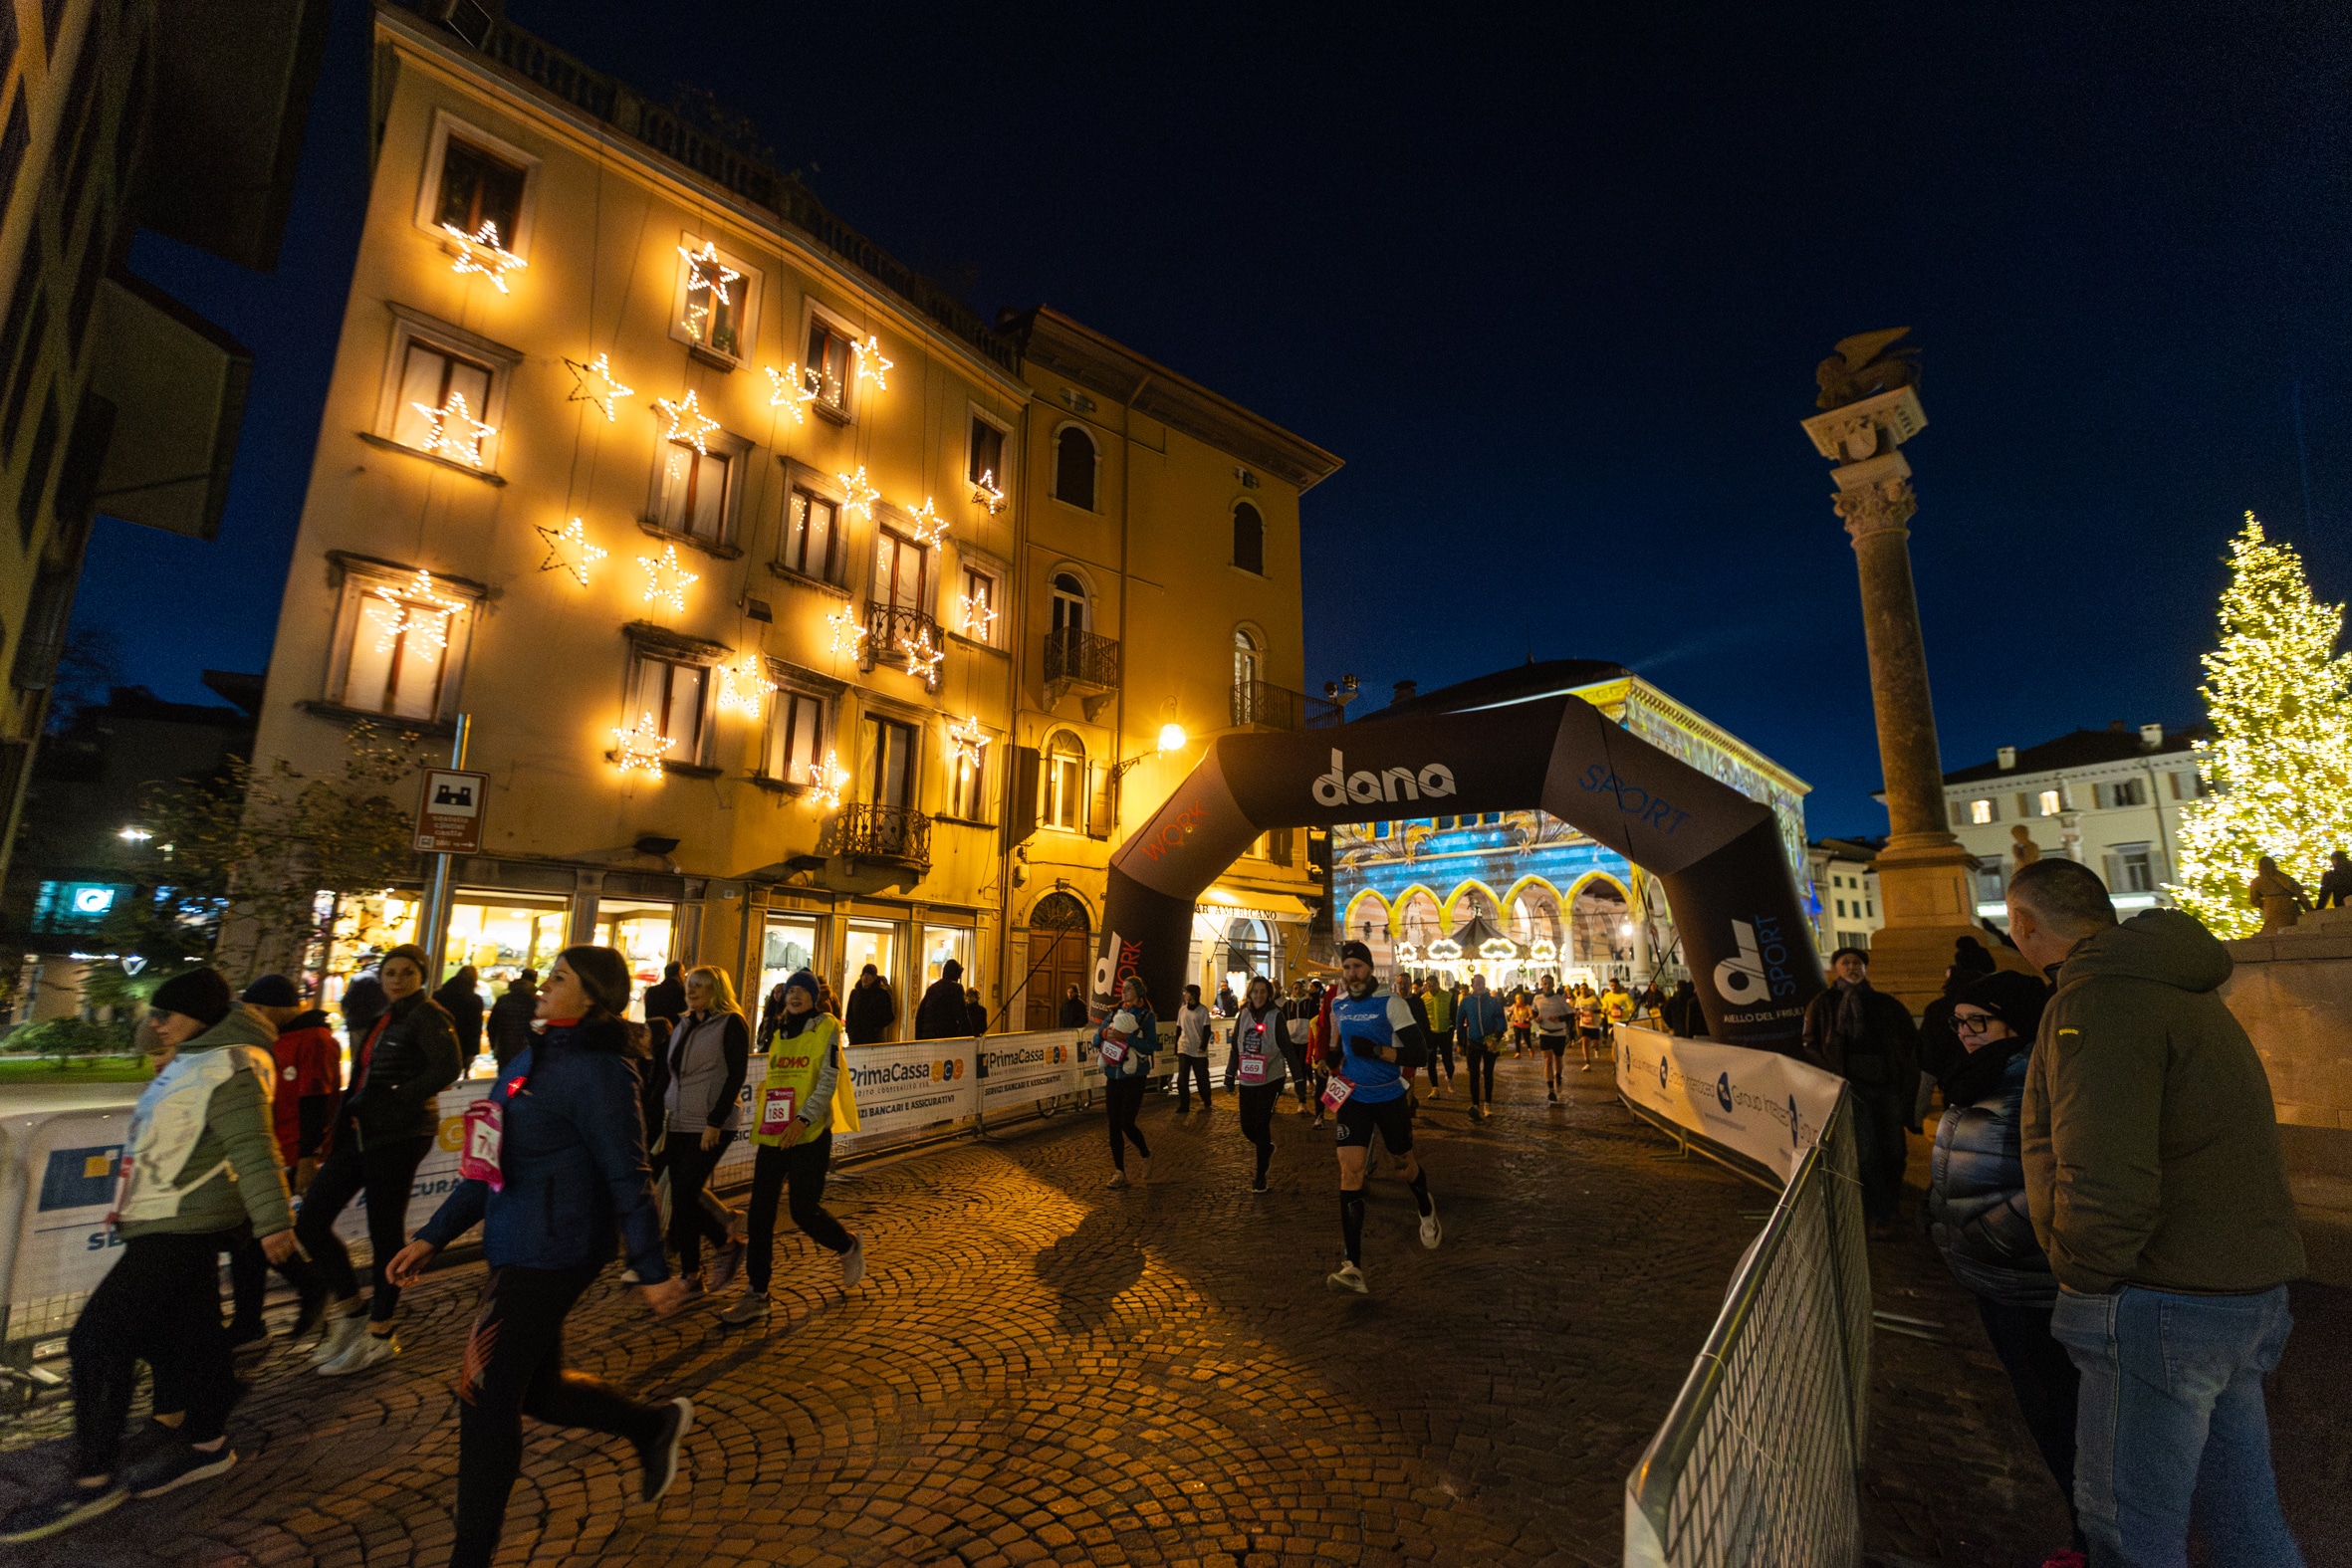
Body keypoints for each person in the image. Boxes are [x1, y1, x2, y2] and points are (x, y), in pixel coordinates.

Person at [2008, 857, 2307, 1566]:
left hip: (2159, 1297)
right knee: (2243, 1518)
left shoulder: (2097, 999)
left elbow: (2103, 1166)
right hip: (2236, 1287)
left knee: (2128, 1528)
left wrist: (2082, 1278)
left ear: (2022, 924)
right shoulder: (2173, 986)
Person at [386, 947, 696, 1568]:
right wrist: (432, 1237)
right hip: (514, 1242)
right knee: (537, 1390)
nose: (543, 986)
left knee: (483, 1393)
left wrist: (651, 1269)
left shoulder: (601, 1071)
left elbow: (628, 1173)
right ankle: (650, 1426)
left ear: (592, 996)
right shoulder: (530, 1056)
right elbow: (486, 1162)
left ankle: (470, 1557)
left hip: (556, 1249)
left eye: (558, 978)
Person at [0, 969, 299, 1543]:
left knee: (96, 1339)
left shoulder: (228, 1067)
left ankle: (93, 1478)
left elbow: (254, 1146)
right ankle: (206, 1444)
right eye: (154, 1014)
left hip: (182, 1223)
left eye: (166, 1015)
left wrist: (274, 1221)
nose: (156, 1024)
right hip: (164, 1217)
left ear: (199, 1017)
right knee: (192, 1336)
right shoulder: (196, 1059)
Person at [1925, 970, 2084, 1562]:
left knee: (2063, 1418)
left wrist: (1992, 1231)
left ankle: (2094, 1540)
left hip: (2033, 1282)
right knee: (2044, 1415)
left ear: (2016, 1023)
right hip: (1995, 1278)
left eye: (1980, 1021)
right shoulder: (1979, 1076)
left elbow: (2062, 1179)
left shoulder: (2032, 1082)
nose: (1966, 1033)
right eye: (1959, 1022)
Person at [297, 943, 463, 1375]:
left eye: (407, 972)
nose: (397, 979)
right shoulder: (384, 1015)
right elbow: (363, 1075)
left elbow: (449, 1067)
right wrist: (342, 1124)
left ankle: (380, 1330)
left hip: (401, 1134)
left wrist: (397, 1098)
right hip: (363, 1132)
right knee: (310, 1222)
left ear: (422, 976)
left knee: (385, 1231)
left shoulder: (428, 1014)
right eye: (390, 972)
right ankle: (352, 1311)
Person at [719, 969, 863, 1323]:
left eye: (803, 990)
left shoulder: (827, 1028)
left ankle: (846, 1245)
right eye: (790, 990)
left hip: (809, 1134)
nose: (795, 995)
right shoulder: (779, 1030)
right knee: (761, 1213)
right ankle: (757, 1293)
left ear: (814, 997)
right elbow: (777, 1077)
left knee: (803, 1211)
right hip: (774, 1133)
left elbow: (827, 1079)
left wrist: (803, 1120)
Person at [223, 976, 335, 1348]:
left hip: (288, 1151)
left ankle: (304, 1289)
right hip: (273, 1148)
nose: (255, 1015)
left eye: (259, 1009)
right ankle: (253, 1320)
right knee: (249, 1239)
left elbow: (315, 1101)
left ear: (279, 1008)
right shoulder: (276, 1039)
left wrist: (307, 1156)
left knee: (256, 1237)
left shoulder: (313, 1039)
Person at [1323, 941, 1439, 1295]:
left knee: (1403, 1164)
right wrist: (1331, 1060)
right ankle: (1353, 1266)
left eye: (1357, 967)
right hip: (1353, 1097)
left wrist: (1378, 1051)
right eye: (1347, 967)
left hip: (1389, 1095)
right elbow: (1337, 1043)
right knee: (1350, 1171)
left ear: (1370, 969)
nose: (1352, 973)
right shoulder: (1339, 1004)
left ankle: (1425, 1206)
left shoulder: (1391, 1003)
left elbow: (1418, 1053)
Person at [1799, 946, 1920, 1237]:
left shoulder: (1885, 1004)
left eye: (1857, 963)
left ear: (1865, 968)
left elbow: (1908, 1041)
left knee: (1894, 1151)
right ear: (1836, 969)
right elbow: (1810, 1042)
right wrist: (1830, 1072)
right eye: (1846, 963)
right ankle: (1877, 1215)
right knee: (1866, 1154)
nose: (1852, 967)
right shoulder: (1824, 1003)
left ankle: (1891, 1207)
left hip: (1886, 1086)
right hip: (1849, 1088)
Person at [654, 966, 751, 1295]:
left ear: (716, 990)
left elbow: (736, 1074)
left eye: (700, 985)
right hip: (679, 1120)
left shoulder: (730, 1023)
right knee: (682, 1196)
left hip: (711, 1122)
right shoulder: (683, 1023)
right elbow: (670, 1074)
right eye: (690, 985)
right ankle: (692, 1273)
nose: (691, 990)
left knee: (685, 1192)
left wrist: (715, 1121)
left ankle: (725, 1246)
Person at [1225, 976, 1288, 1193]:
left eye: (1263, 991)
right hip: (1248, 1079)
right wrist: (1229, 1074)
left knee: (1261, 1124)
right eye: (1255, 991)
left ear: (1269, 994)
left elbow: (1287, 1048)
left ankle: (1260, 1176)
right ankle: (1266, 1149)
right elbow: (1236, 1046)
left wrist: (1298, 1081)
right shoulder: (1243, 1015)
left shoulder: (1276, 1015)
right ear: (1250, 994)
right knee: (1247, 1126)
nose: (1259, 995)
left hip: (1271, 1078)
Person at [1097, 976, 1158, 1188]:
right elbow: (1096, 1039)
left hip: (1134, 1077)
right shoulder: (1113, 1013)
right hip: (1113, 1075)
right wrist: (1105, 1033)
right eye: (1123, 988)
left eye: (1129, 988)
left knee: (1126, 1122)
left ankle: (1145, 1152)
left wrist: (1127, 1038)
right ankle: (1119, 1172)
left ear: (1139, 992)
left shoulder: (1146, 1016)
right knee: (1113, 1125)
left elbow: (1151, 1046)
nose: (1124, 992)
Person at [1918, 936, 1999, 1088]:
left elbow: (1928, 1058)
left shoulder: (1938, 1008)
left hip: (1953, 1083)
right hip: (1995, 1081)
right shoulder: (1997, 1002)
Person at [1455, 974, 1505, 1122]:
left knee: (1488, 1073)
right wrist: (1460, 1043)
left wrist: (1495, 1039)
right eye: (1477, 983)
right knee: (1474, 1074)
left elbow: (1501, 1022)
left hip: (1490, 1042)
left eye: (1482, 983)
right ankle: (1475, 1104)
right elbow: (1459, 1022)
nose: (1480, 986)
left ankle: (1488, 1103)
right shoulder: (1466, 1002)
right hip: (1474, 1042)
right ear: (1472, 985)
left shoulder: (1493, 1001)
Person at [1279, 983, 1319, 1119]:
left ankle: (1303, 1099)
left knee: (1303, 1066)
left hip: (1306, 1040)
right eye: (1295, 988)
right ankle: (1302, 1098)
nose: (1297, 990)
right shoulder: (1287, 1005)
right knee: (1296, 1068)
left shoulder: (1310, 1004)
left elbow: (1316, 1020)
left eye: (1300, 988)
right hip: (1292, 1040)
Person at [1173, 984, 1215, 1112]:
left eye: (1187, 992)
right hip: (1184, 1047)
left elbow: (1207, 1030)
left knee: (1201, 1077)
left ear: (1194, 995)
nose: (1184, 995)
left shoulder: (1202, 1010)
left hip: (1198, 1050)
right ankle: (1184, 1104)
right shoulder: (1182, 1010)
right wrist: (1176, 1046)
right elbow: (1179, 1028)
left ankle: (1206, 1099)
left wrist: (1203, 1046)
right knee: (1182, 1078)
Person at [433, 964, 486, 1063]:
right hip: (463, 1045)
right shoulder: (474, 1000)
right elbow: (475, 1028)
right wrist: (473, 1052)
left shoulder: (438, 995)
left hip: (438, 1041)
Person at [488, 968, 539, 1068]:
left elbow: (492, 1026)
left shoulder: (503, 1000)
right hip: (528, 1049)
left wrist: (494, 1046)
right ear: (535, 981)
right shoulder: (537, 1002)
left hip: (504, 1047)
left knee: (505, 1075)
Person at [2247, 853, 2309, 933]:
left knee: (2275, 929)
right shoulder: (2283, 877)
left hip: (2272, 906)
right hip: (2286, 904)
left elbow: (2254, 900)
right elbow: (2297, 888)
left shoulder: (2257, 881)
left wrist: (2265, 903)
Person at [1531, 975, 1570, 1101]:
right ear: (1541, 985)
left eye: (1549, 983)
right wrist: (1536, 1018)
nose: (1546, 986)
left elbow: (1571, 1014)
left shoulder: (1559, 999)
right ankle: (1550, 1090)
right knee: (1548, 1060)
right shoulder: (1537, 998)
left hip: (1559, 1033)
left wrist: (1559, 1018)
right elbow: (1534, 1011)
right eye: (1544, 983)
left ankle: (1558, 1076)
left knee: (1558, 1059)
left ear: (1553, 985)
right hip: (1545, 1032)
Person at [914, 958, 970, 1040]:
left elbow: (920, 1014)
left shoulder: (932, 988)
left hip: (927, 1035)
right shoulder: (956, 988)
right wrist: (969, 1036)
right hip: (945, 1035)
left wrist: (918, 1037)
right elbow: (963, 1015)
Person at [340, 955, 386, 1048]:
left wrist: (347, 1016)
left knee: (358, 1053)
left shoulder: (358, 978)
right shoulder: (385, 978)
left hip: (358, 1023)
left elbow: (347, 1002)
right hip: (380, 1025)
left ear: (364, 961)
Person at [1420, 973, 1456, 1095]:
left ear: (1438, 984)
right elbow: (1422, 1017)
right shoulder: (1423, 998)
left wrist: (1452, 1028)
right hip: (1430, 1034)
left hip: (1445, 1032)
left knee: (1448, 1060)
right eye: (1429, 986)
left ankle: (1449, 1078)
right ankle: (1434, 1087)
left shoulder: (1448, 996)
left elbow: (1453, 1014)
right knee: (1431, 1061)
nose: (1431, 989)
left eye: (1433, 986)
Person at [844, 963, 895, 1044]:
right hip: (855, 1038)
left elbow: (889, 1016)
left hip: (873, 1039)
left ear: (874, 978)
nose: (865, 977)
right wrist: (849, 1030)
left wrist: (875, 1028)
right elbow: (849, 1014)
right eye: (864, 974)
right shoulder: (855, 993)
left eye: (869, 975)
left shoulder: (882, 994)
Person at [641, 961, 688, 1036]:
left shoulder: (651, 991)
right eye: (683, 972)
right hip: (673, 1035)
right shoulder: (682, 992)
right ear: (679, 973)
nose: (684, 976)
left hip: (652, 1033)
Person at [1506, 989, 1532, 1057]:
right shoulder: (1514, 1006)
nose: (1518, 1000)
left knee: (1527, 1038)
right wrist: (1511, 1015)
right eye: (1517, 999)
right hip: (1517, 1024)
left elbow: (1531, 1015)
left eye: (1519, 998)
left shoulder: (1526, 1007)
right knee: (1517, 1038)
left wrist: (1528, 1018)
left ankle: (1529, 1048)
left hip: (1525, 1024)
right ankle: (1518, 1052)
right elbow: (1508, 1011)